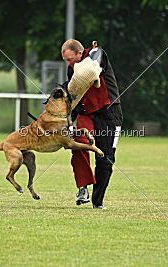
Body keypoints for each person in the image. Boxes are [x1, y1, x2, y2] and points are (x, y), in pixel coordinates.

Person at [61, 39, 123, 209]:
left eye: (70, 59)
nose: (68, 64)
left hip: (109, 113)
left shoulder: (97, 54)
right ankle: (83, 189)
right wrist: (67, 121)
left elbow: (90, 69)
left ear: (80, 53)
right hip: (86, 113)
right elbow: (75, 96)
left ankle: (98, 201)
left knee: (105, 158)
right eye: (66, 61)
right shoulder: (71, 69)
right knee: (78, 145)